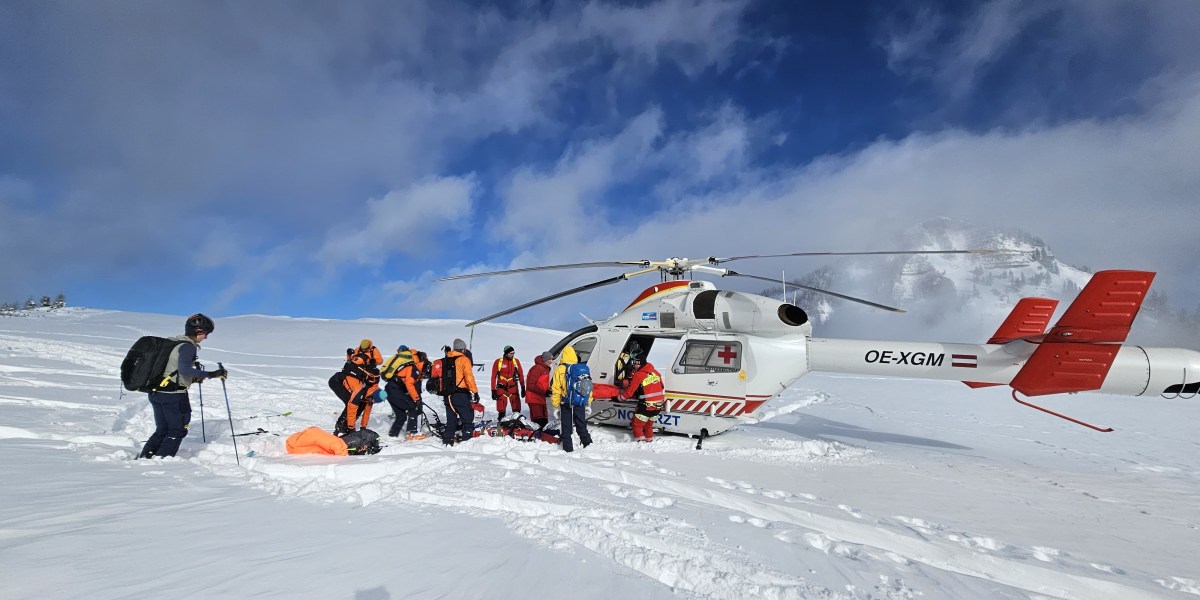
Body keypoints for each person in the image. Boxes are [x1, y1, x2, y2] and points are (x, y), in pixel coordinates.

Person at [138, 314, 228, 459]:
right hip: (173, 396)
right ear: (198, 331)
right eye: (205, 333)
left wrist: (193, 379)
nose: (206, 337)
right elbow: (184, 370)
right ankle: (162, 460)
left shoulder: (173, 344)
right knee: (177, 430)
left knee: (163, 429)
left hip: (157, 393)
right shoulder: (187, 347)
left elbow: (172, 372)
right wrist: (212, 374)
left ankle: (145, 457)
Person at [549, 346, 592, 452]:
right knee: (581, 424)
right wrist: (588, 403)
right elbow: (588, 387)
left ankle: (568, 449)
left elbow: (556, 389)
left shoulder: (560, 369)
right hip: (579, 401)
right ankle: (589, 446)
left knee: (566, 426)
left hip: (566, 402)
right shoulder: (581, 368)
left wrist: (555, 406)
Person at [335, 339, 382, 434]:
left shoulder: (374, 350)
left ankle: (346, 426)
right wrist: (351, 429)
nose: (363, 351)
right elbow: (352, 360)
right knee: (352, 402)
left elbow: (380, 360)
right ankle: (341, 426)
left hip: (367, 372)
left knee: (361, 404)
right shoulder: (361, 389)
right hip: (354, 376)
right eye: (362, 350)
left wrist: (363, 427)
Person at [618, 354, 666, 442]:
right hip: (658, 405)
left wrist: (620, 398)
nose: (633, 365)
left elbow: (629, 393)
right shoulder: (656, 373)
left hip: (646, 406)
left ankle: (641, 444)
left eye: (634, 363)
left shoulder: (638, 375)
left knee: (637, 426)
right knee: (648, 426)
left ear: (638, 364)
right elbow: (661, 387)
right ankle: (649, 441)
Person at [441, 339, 479, 445]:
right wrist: (475, 391)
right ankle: (466, 442)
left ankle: (447, 441)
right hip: (460, 394)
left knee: (451, 419)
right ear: (463, 349)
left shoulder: (447, 358)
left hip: (447, 394)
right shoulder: (464, 360)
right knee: (468, 418)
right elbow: (469, 377)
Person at [384, 347, 427, 440]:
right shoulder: (413, 368)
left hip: (390, 390)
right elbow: (409, 384)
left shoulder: (409, 367)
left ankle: (392, 435)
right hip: (394, 390)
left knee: (401, 416)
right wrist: (417, 399)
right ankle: (412, 433)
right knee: (413, 408)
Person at [490, 345, 525, 421]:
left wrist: (523, 388)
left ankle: (516, 423)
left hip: (513, 387)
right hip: (501, 388)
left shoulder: (516, 361)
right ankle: (501, 423)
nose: (512, 355)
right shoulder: (498, 362)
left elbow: (521, 375)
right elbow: (493, 376)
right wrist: (493, 390)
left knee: (516, 408)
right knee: (501, 409)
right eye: (511, 353)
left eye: (513, 353)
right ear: (506, 353)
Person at [525, 351, 553, 427]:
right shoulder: (537, 368)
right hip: (534, 398)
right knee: (538, 420)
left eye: (551, 359)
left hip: (541, 398)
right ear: (544, 360)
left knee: (544, 420)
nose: (551, 361)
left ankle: (543, 436)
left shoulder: (545, 369)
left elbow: (542, 383)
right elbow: (530, 385)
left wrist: (548, 390)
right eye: (549, 359)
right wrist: (544, 392)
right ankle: (537, 435)